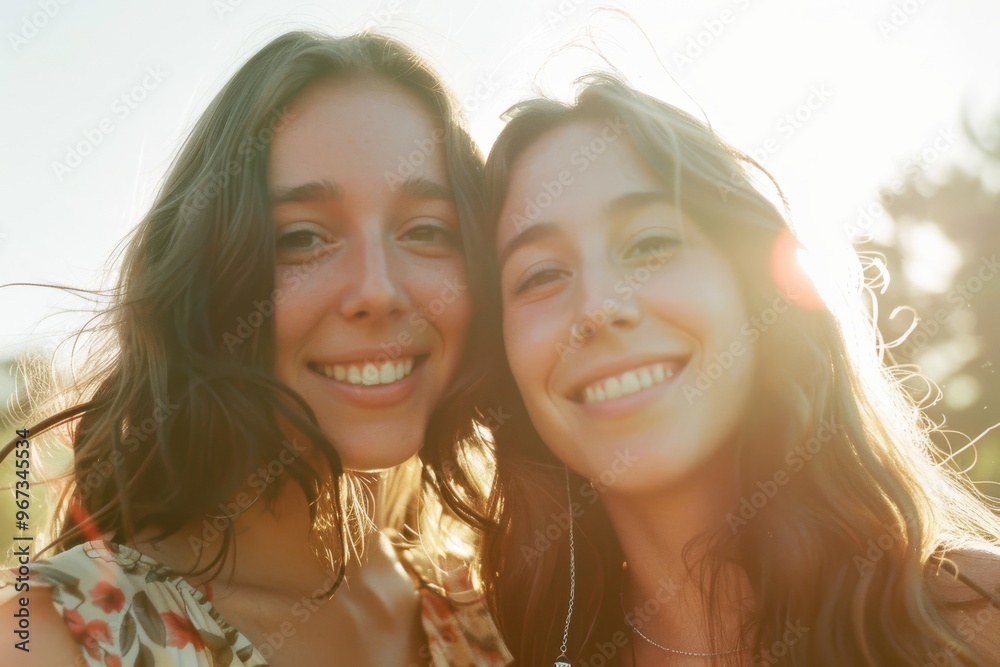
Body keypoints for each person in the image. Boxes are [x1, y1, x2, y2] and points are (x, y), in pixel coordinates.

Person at [0, 30, 510, 666]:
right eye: (302, 237)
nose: (379, 291)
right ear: (207, 279)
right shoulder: (50, 637)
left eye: (427, 229)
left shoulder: (490, 608)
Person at [476, 73, 1000, 666]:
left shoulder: (976, 620)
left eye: (650, 244)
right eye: (541, 274)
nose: (598, 306)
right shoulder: (505, 651)